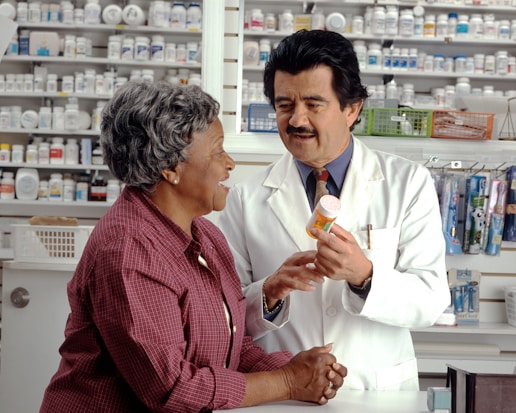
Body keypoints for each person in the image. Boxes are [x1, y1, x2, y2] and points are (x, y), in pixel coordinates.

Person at [40, 82, 348, 413]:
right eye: (217, 151)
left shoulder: (204, 234)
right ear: (170, 169)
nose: (229, 164)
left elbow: (228, 344)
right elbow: (172, 388)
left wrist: (295, 367)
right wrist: (287, 381)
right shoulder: (128, 252)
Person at [218, 30, 450, 391]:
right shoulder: (245, 198)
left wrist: (365, 275)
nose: (296, 120)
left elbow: (431, 300)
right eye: (284, 105)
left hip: (375, 392)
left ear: (351, 108)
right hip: (283, 394)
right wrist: (268, 293)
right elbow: (223, 316)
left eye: (314, 104)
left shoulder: (407, 183)